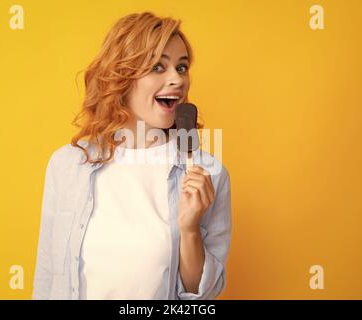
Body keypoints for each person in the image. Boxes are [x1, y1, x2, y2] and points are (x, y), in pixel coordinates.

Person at [32, 11, 232, 300]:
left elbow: (201, 297)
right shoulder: (67, 165)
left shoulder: (208, 173)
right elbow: (48, 277)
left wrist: (189, 231)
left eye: (182, 67)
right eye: (158, 67)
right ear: (122, 76)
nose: (177, 79)